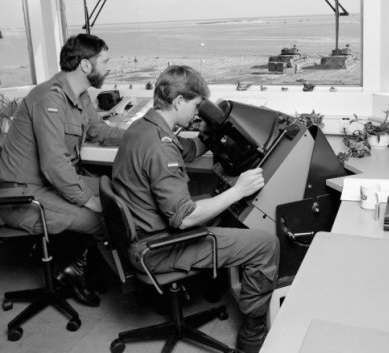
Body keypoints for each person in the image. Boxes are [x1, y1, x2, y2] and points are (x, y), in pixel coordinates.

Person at [112, 65, 279, 353]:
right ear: (178, 101)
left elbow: (186, 151)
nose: (198, 112)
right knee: (266, 244)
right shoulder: (160, 146)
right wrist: (238, 190)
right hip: (158, 248)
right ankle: (252, 334)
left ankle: (214, 285)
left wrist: (208, 134)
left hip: (139, 234)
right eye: (196, 105)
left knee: (220, 205)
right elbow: (185, 218)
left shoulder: (142, 128)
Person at [0, 33, 124, 307]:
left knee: (118, 192)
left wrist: (138, 136)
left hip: (49, 185)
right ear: (86, 65)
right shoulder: (50, 98)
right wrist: (88, 200)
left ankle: (87, 267)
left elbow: (98, 130)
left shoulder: (80, 96)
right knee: (98, 217)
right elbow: (54, 164)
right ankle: (73, 271)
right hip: (21, 195)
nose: (110, 67)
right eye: (105, 61)